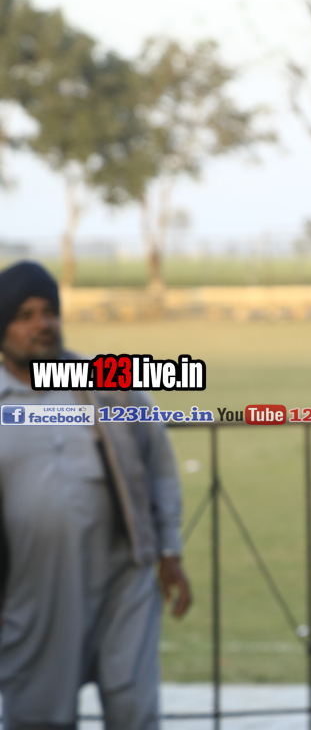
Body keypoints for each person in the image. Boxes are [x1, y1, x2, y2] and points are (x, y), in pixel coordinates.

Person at [0, 261, 191, 730]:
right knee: (39, 714)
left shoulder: (108, 385)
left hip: (122, 581)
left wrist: (169, 551)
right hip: (30, 590)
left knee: (134, 710)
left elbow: (158, 463)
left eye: (50, 312)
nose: (42, 324)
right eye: (25, 315)